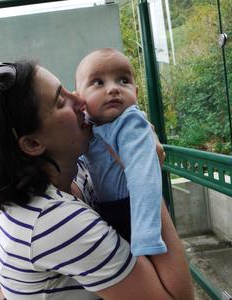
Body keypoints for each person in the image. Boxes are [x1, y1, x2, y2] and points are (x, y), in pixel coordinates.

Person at [0, 60, 194, 299]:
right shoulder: (56, 221)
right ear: (33, 144)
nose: (80, 100)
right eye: (61, 101)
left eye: (69, 89)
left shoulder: (71, 177)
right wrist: (145, 176)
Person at [75, 48, 165, 257]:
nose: (113, 89)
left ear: (136, 92)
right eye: (98, 82)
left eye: (123, 80)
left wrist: (146, 236)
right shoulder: (89, 125)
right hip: (109, 209)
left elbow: (144, 176)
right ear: (80, 98)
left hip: (135, 212)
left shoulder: (130, 123)